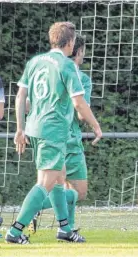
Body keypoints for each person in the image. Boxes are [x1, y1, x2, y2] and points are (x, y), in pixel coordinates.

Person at [5, 21, 102, 244]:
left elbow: (20, 97)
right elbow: (78, 104)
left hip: (34, 128)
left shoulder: (35, 61)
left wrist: (20, 128)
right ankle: (15, 231)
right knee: (46, 182)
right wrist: (96, 126)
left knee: (59, 178)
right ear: (69, 42)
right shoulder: (66, 66)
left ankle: (65, 229)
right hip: (54, 130)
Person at [28, 34, 91, 234]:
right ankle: (36, 207)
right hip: (68, 139)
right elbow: (81, 112)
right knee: (78, 191)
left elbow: (29, 102)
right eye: (83, 52)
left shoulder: (46, 70)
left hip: (44, 133)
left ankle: (67, 228)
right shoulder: (80, 77)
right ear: (77, 51)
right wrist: (95, 124)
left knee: (58, 186)